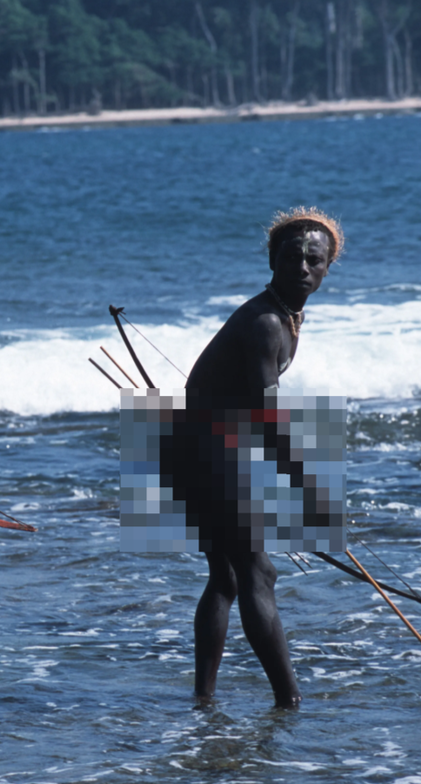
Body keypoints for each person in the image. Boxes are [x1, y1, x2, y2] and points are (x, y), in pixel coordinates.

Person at [177, 207, 343, 708]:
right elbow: (270, 418)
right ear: (272, 260)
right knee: (257, 573)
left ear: (327, 268)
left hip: (202, 445)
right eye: (292, 257)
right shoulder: (267, 322)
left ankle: (203, 699)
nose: (303, 268)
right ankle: (288, 701)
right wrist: (307, 487)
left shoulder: (287, 313)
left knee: (226, 577)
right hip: (207, 450)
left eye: (315, 259)